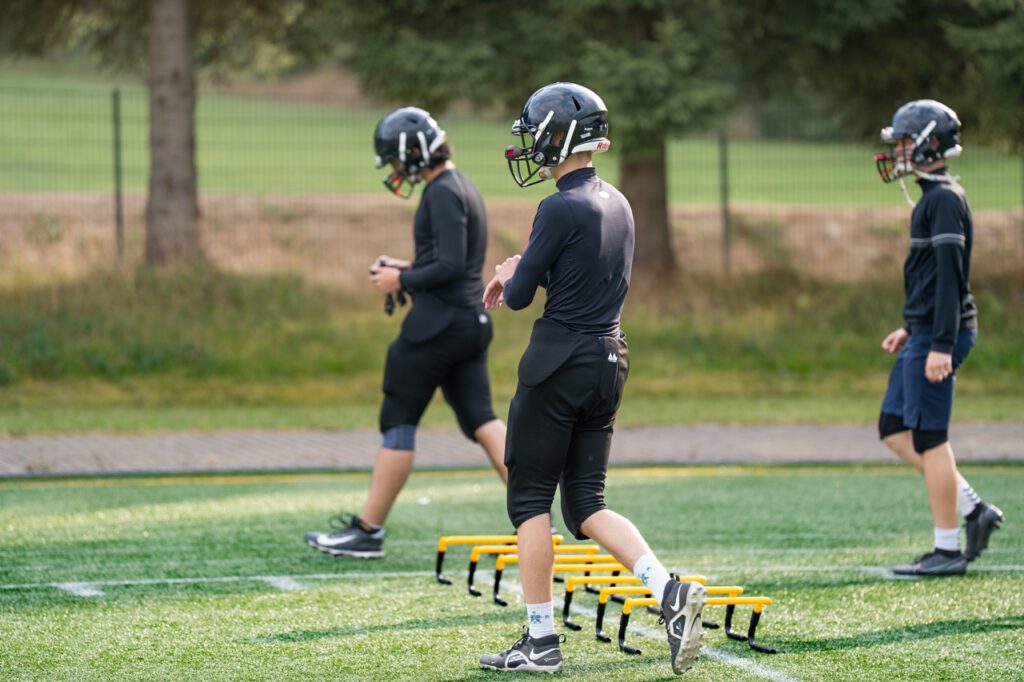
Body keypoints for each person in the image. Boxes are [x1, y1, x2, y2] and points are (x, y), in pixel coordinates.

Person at [477, 83, 705, 675]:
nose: (531, 146)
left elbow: (519, 297)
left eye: (536, 134)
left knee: (530, 500)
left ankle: (540, 640)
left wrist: (512, 269)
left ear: (560, 136)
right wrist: (530, 270)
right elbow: (584, 275)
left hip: (557, 362)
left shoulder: (557, 206)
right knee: (586, 504)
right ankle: (668, 589)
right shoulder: (620, 202)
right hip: (609, 359)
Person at [305, 107, 508, 558]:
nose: (396, 169)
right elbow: (454, 263)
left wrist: (402, 279)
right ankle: (534, 516)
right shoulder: (463, 185)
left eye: (396, 160)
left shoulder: (441, 192)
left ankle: (368, 531)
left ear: (413, 152)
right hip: (469, 322)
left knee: (398, 418)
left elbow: (450, 265)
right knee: (482, 418)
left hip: (437, 327)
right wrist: (408, 267)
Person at [874, 99, 1004, 576]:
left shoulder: (945, 199)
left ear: (930, 144)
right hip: (925, 332)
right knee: (893, 427)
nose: (898, 152)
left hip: (940, 336)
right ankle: (974, 509)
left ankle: (947, 550)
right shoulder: (931, 198)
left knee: (930, 437)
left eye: (906, 142)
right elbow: (929, 278)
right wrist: (912, 326)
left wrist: (941, 345)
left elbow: (951, 278)